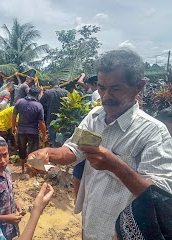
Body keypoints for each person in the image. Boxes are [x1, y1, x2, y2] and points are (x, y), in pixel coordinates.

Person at [28, 49, 172, 239]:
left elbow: (159, 197)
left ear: (139, 86)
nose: (106, 95)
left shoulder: (153, 132)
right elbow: (73, 150)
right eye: (102, 88)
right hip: (91, 223)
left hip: (120, 233)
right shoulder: (94, 118)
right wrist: (49, 153)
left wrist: (115, 165)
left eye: (115, 88)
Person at [13, 85, 47, 172]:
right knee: (32, 152)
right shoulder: (38, 106)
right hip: (33, 132)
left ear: (28, 92)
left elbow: (14, 116)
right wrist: (44, 134)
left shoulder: (19, 102)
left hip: (21, 131)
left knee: (22, 150)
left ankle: (23, 169)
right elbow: (41, 122)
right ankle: (30, 170)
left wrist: (13, 127)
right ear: (38, 94)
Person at [40, 79, 68, 148]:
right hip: (63, 119)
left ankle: (55, 153)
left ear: (50, 86)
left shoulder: (48, 92)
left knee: (53, 139)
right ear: (59, 85)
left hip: (51, 119)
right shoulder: (66, 92)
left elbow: (40, 103)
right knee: (63, 138)